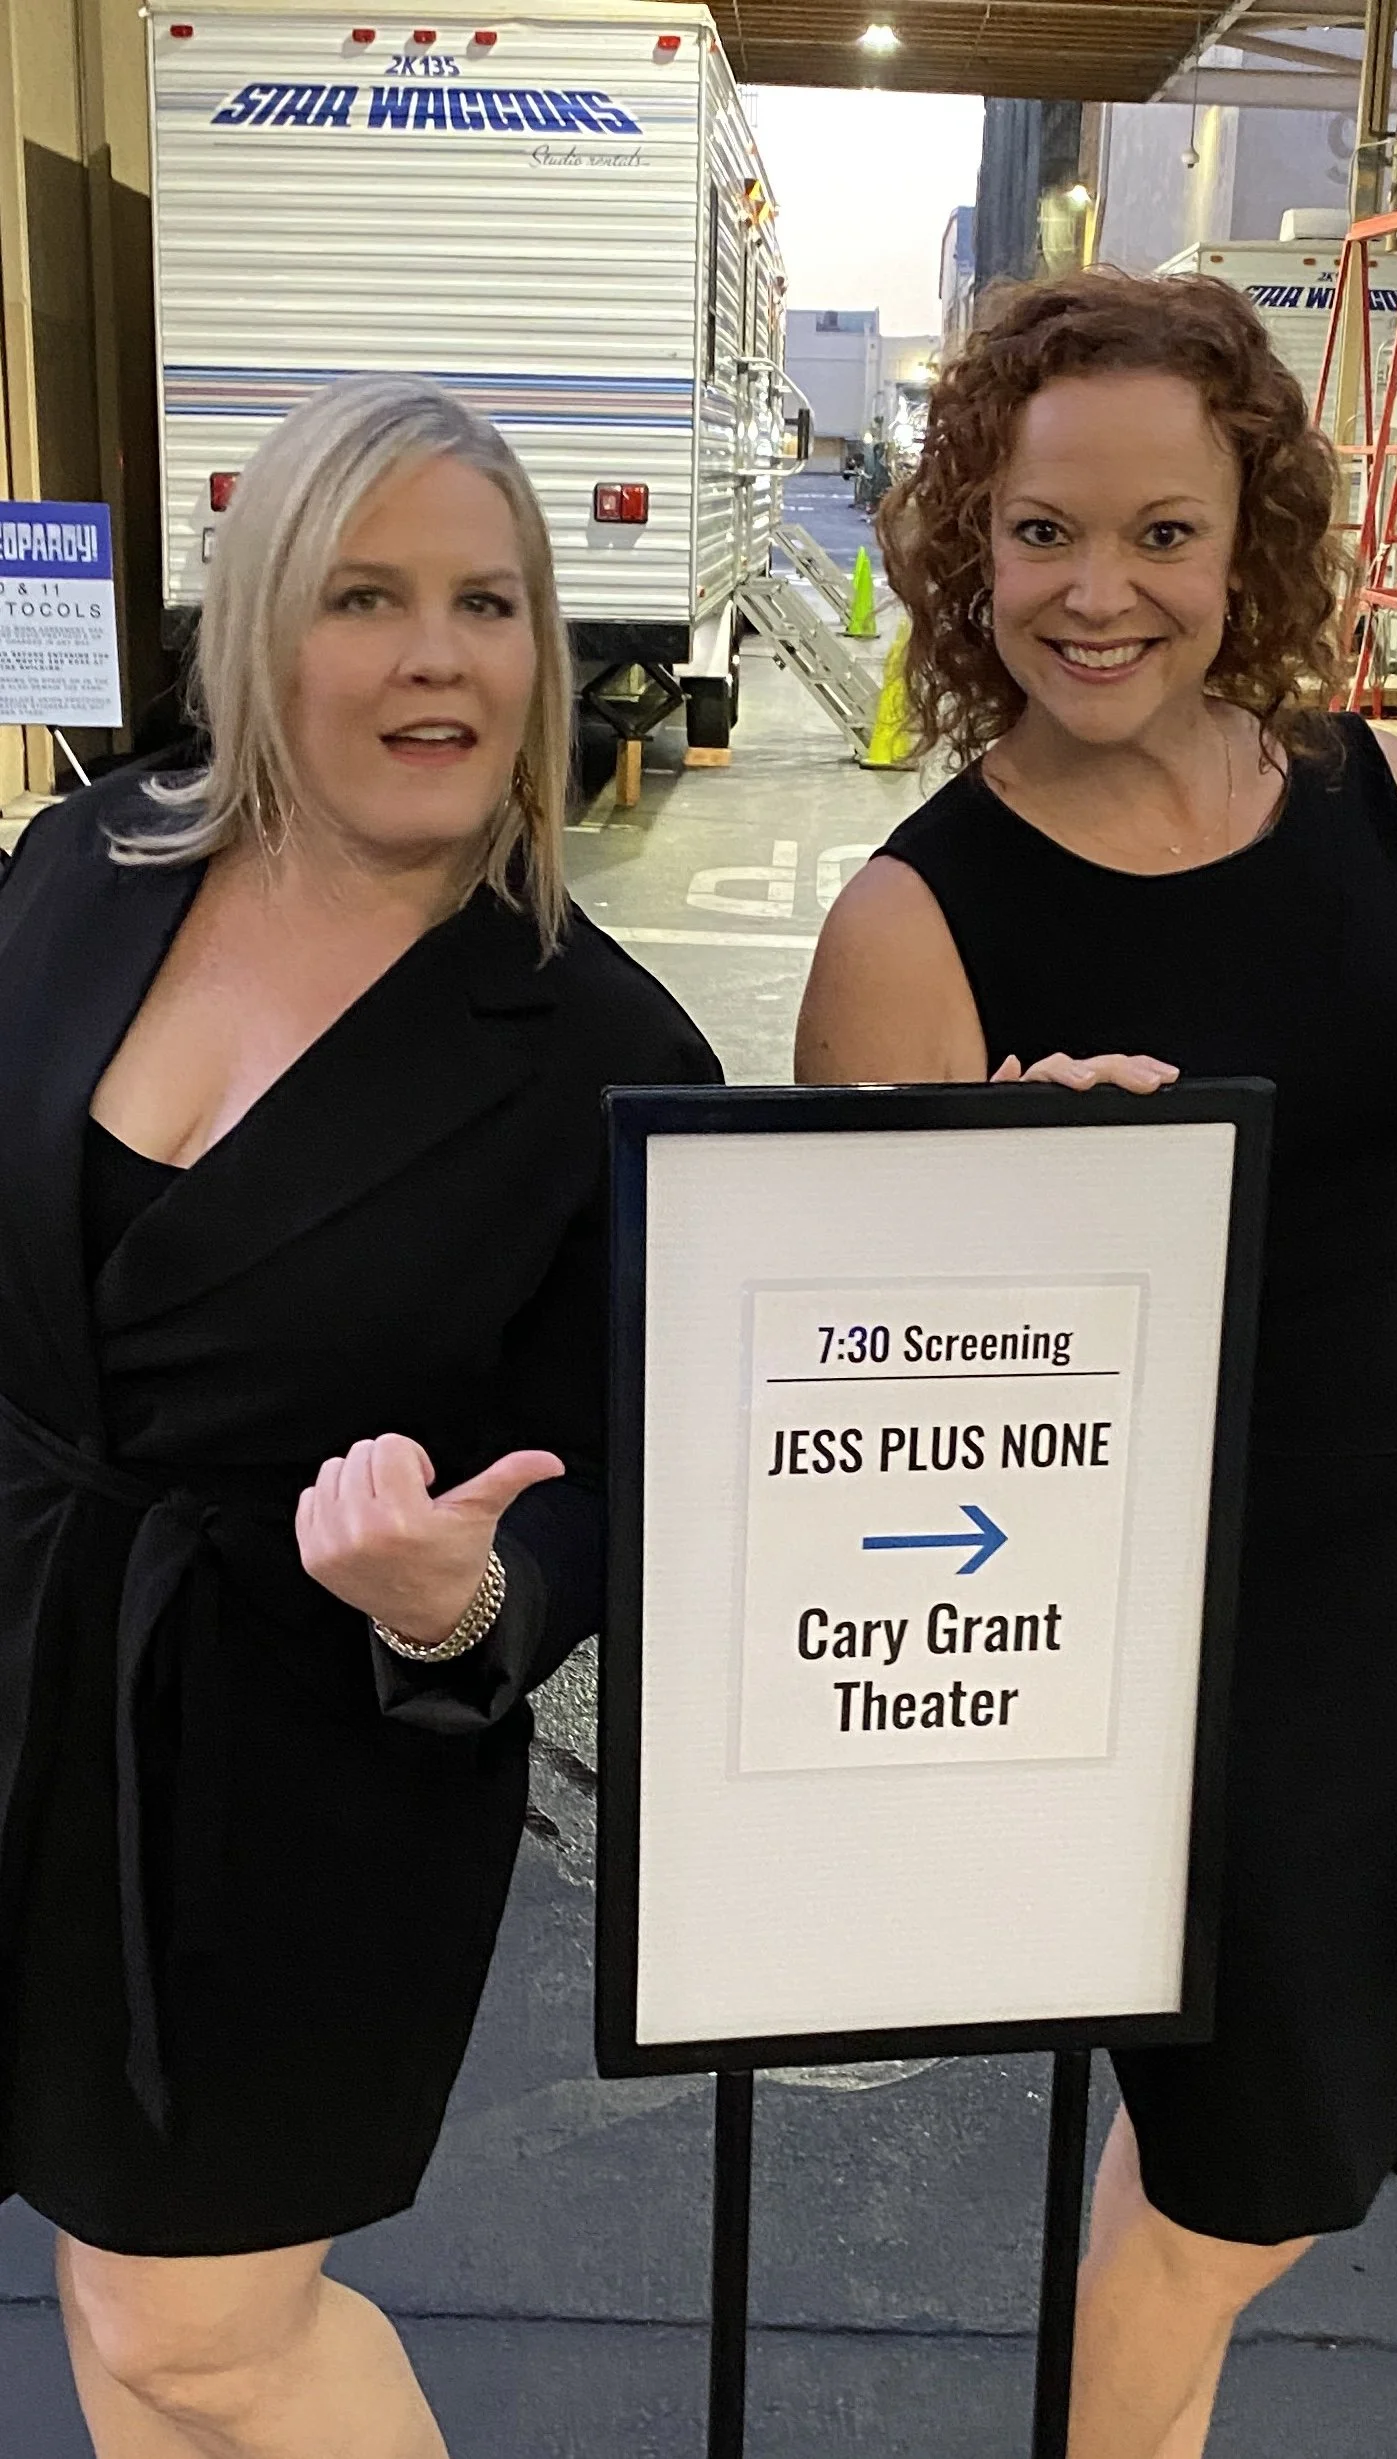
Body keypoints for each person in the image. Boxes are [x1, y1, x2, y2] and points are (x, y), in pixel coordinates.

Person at [795, 270, 1397, 2459]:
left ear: (1247, 538)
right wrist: (1016, 1189)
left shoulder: (1372, 790)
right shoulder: (911, 925)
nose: (1093, 593)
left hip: (1395, 1582)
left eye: (1160, 534)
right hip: (1153, 1658)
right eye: (1037, 533)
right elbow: (848, 1404)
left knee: (1296, 2146)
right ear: (961, 544)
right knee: (1241, 2181)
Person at [0, 373, 717, 2459]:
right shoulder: (84, 869)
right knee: (115, 2300)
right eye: (367, 594)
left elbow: (625, 1477)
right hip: (34, 1673)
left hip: (303, 1774)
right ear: (258, 631)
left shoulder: (594, 1039)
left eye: (488, 603)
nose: (438, 653)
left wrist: (459, 1589)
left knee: (200, 2322)